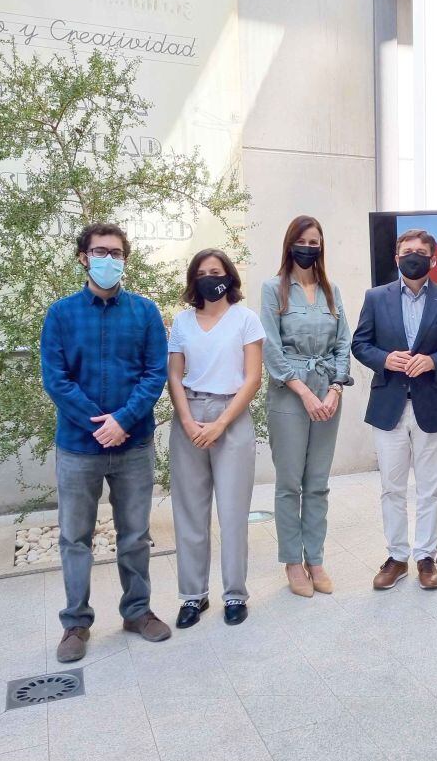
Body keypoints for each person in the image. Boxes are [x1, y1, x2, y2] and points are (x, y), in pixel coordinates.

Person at [40, 223, 171, 663]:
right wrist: (99, 424)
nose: (109, 260)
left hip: (133, 446)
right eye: (100, 251)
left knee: (134, 534)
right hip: (78, 448)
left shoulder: (145, 312)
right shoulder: (60, 314)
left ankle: (137, 612)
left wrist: (124, 420)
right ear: (83, 257)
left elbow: (155, 374)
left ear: (125, 260)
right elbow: (55, 380)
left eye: (117, 253)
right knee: (75, 537)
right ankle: (76, 622)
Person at [352, 228, 437, 591]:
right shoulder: (375, 298)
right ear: (396, 257)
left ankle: (425, 556)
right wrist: (385, 359)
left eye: (421, 251)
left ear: (433, 259)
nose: (414, 256)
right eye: (407, 251)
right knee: (392, 488)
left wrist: (433, 361)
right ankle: (396, 557)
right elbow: (360, 344)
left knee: (429, 488)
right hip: (389, 404)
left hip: (431, 405)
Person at [167, 249, 265, 628]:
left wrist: (221, 423)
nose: (211, 278)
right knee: (190, 511)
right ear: (195, 280)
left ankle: (235, 594)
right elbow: (174, 375)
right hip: (189, 417)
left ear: (229, 277)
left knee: (233, 511)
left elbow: (252, 378)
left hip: (232, 418)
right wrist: (188, 421)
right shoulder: (182, 321)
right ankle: (193, 596)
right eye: (203, 272)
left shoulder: (246, 319)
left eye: (217, 271)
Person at [261, 216, 353, 597]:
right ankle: (293, 563)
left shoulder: (332, 290)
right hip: (290, 392)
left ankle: (315, 558)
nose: (308, 247)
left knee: (317, 483)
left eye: (315, 241)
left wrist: (334, 389)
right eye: (302, 240)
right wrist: (303, 391)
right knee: (289, 483)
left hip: (328, 390)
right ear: (289, 244)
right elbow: (270, 344)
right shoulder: (273, 289)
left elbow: (344, 342)